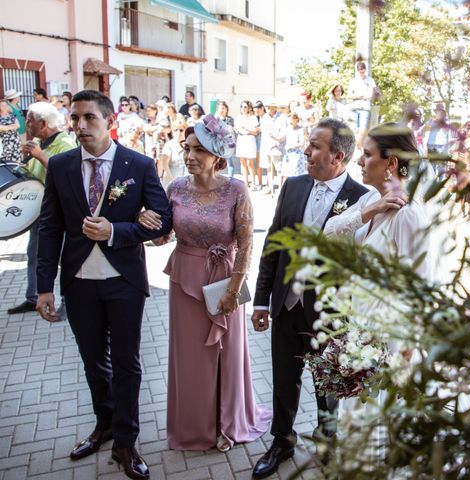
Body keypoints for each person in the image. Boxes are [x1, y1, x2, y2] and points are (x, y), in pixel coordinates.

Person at [35, 90, 172, 480]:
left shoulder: (139, 164)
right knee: (93, 360)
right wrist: (45, 285)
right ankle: (105, 425)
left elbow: (162, 220)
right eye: (75, 118)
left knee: (127, 364)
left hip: (124, 281)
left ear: (110, 122)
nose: (80, 126)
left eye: (89, 118)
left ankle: (127, 443)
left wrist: (117, 230)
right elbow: (49, 227)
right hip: (78, 283)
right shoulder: (60, 166)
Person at [137, 114, 272, 452]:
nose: (190, 156)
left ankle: (227, 424)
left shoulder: (236, 189)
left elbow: (246, 244)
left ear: (217, 155)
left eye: (198, 149)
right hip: (185, 281)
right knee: (192, 358)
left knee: (226, 354)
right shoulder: (176, 188)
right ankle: (195, 426)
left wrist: (232, 290)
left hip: (224, 280)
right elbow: (161, 239)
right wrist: (145, 223)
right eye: (187, 149)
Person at [251, 118, 369, 479]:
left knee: (328, 384)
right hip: (286, 304)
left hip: (329, 312)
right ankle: (281, 442)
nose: (306, 151)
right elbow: (273, 245)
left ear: (337, 155)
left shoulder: (363, 199)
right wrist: (260, 301)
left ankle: (327, 441)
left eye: (315, 146)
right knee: (284, 378)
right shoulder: (293, 186)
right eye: (308, 144)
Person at [323, 122, 428, 466]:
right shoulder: (371, 198)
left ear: (391, 163)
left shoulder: (409, 215)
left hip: (390, 341)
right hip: (360, 330)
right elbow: (328, 235)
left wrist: (403, 363)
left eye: (367, 155)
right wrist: (369, 211)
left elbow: (419, 290)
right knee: (354, 421)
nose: (360, 162)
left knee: (377, 424)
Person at [6, 102, 76, 316]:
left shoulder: (65, 143)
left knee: (64, 256)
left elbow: (68, 175)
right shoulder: (38, 141)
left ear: (43, 123)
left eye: (30, 121)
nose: (26, 124)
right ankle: (33, 296)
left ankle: (67, 301)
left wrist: (40, 156)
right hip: (38, 208)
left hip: (60, 209)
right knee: (35, 253)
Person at [450, 121, 470, 217]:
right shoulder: (460, 141)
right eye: (468, 128)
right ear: (465, 129)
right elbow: (455, 154)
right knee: (462, 188)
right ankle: (462, 208)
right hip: (461, 167)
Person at [259, 99, 286, 195]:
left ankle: (280, 189)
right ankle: (270, 187)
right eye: (268, 107)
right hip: (267, 147)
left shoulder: (282, 117)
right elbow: (264, 132)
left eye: (271, 107)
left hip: (277, 147)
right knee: (269, 168)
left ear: (275, 107)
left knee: (279, 169)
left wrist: (276, 142)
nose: (269, 109)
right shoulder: (265, 117)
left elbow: (283, 133)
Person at [347, 62, 377, 148]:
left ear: (365, 70)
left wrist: (360, 96)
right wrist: (360, 96)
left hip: (365, 108)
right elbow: (349, 95)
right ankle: (358, 149)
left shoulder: (370, 80)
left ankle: (356, 146)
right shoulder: (353, 81)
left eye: (363, 71)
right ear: (357, 71)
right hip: (354, 107)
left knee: (363, 129)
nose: (361, 73)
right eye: (360, 71)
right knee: (355, 130)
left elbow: (371, 95)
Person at [235, 100, 260, 189]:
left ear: (249, 108)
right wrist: (237, 130)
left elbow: (255, 132)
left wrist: (248, 131)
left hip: (250, 141)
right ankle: (245, 183)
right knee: (243, 163)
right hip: (241, 140)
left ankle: (254, 183)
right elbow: (236, 129)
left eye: (245, 107)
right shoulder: (239, 117)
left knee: (250, 164)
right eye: (242, 107)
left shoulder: (253, 118)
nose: (243, 109)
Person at [159, 118, 187, 184]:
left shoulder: (189, 144)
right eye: (175, 130)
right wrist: (173, 182)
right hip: (172, 181)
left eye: (181, 130)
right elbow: (165, 165)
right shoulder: (169, 144)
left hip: (186, 182)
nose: (178, 132)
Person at [281, 113, 306, 182]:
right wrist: (273, 137)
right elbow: (281, 138)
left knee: (296, 175)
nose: (290, 122)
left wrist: (291, 146)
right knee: (286, 174)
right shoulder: (288, 129)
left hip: (297, 155)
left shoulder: (301, 129)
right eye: (290, 120)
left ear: (296, 120)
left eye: (292, 120)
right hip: (288, 155)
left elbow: (301, 143)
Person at [0, 99, 21, 164]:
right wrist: (12, 126)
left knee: (16, 158)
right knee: (5, 159)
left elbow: (18, 125)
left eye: (6, 105)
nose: (5, 107)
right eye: (2, 106)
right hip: (4, 141)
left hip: (15, 140)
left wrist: (5, 127)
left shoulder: (12, 114)